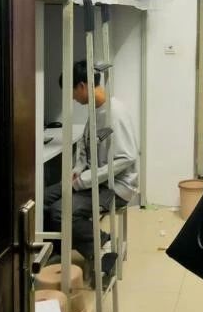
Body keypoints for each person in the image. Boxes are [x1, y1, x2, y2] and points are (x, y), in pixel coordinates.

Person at [44, 60, 138, 278]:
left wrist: (84, 180)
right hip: (93, 179)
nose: (72, 98)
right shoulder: (96, 111)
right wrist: (78, 168)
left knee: (60, 211)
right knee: (43, 199)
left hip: (115, 187)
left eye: (72, 92)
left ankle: (103, 244)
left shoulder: (114, 113)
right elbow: (86, 145)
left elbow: (127, 157)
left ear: (82, 86)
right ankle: (58, 251)